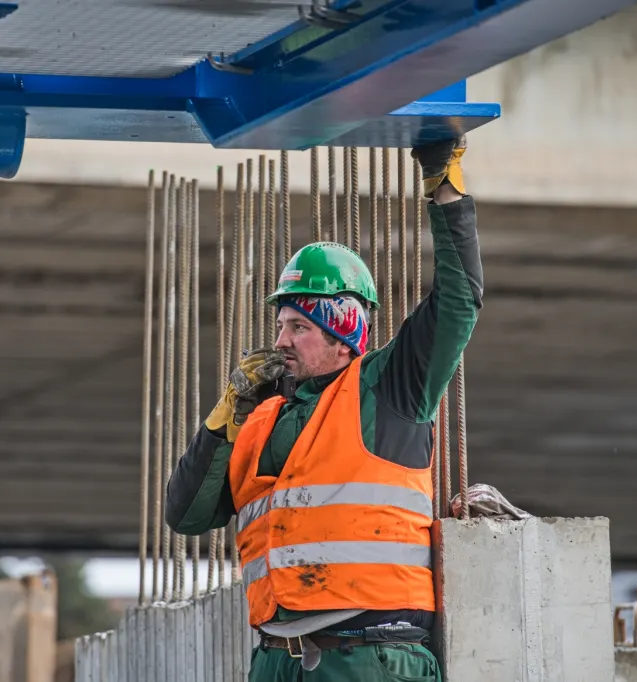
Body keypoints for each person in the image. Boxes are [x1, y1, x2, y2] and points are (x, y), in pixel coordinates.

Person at [165, 137, 483, 681]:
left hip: (370, 658)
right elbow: (187, 515)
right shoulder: (260, 416)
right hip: (276, 659)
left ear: (343, 335)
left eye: (300, 327)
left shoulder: (388, 388)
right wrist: (227, 413)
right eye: (280, 325)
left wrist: (443, 186)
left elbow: (459, 300)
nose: (281, 341)